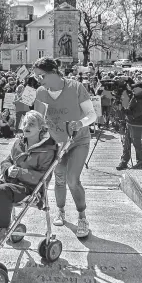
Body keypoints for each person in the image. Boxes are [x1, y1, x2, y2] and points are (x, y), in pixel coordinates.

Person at [33, 57, 97, 238]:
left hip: (78, 141)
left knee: (72, 180)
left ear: (53, 72)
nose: (38, 80)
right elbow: (37, 118)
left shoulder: (76, 87)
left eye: (41, 75)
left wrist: (81, 122)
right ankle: (60, 211)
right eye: (36, 77)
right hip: (57, 143)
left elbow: (92, 114)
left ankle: (82, 217)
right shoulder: (40, 92)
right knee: (59, 179)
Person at [0, 110, 58, 247]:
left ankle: (0, 230)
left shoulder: (47, 150)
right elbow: (6, 161)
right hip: (12, 183)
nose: (26, 127)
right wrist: (8, 168)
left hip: (31, 189)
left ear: (40, 128)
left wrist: (19, 172)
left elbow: (42, 177)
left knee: (2, 190)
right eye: (25, 123)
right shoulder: (19, 143)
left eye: (31, 124)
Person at [116, 82, 142, 170]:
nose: (133, 89)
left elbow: (134, 114)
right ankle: (124, 161)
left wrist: (123, 110)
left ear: (141, 89)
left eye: (135, 88)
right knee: (126, 142)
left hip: (138, 124)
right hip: (130, 122)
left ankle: (140, 163)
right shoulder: (136, 96)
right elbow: (130, 109)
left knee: (136, 143)